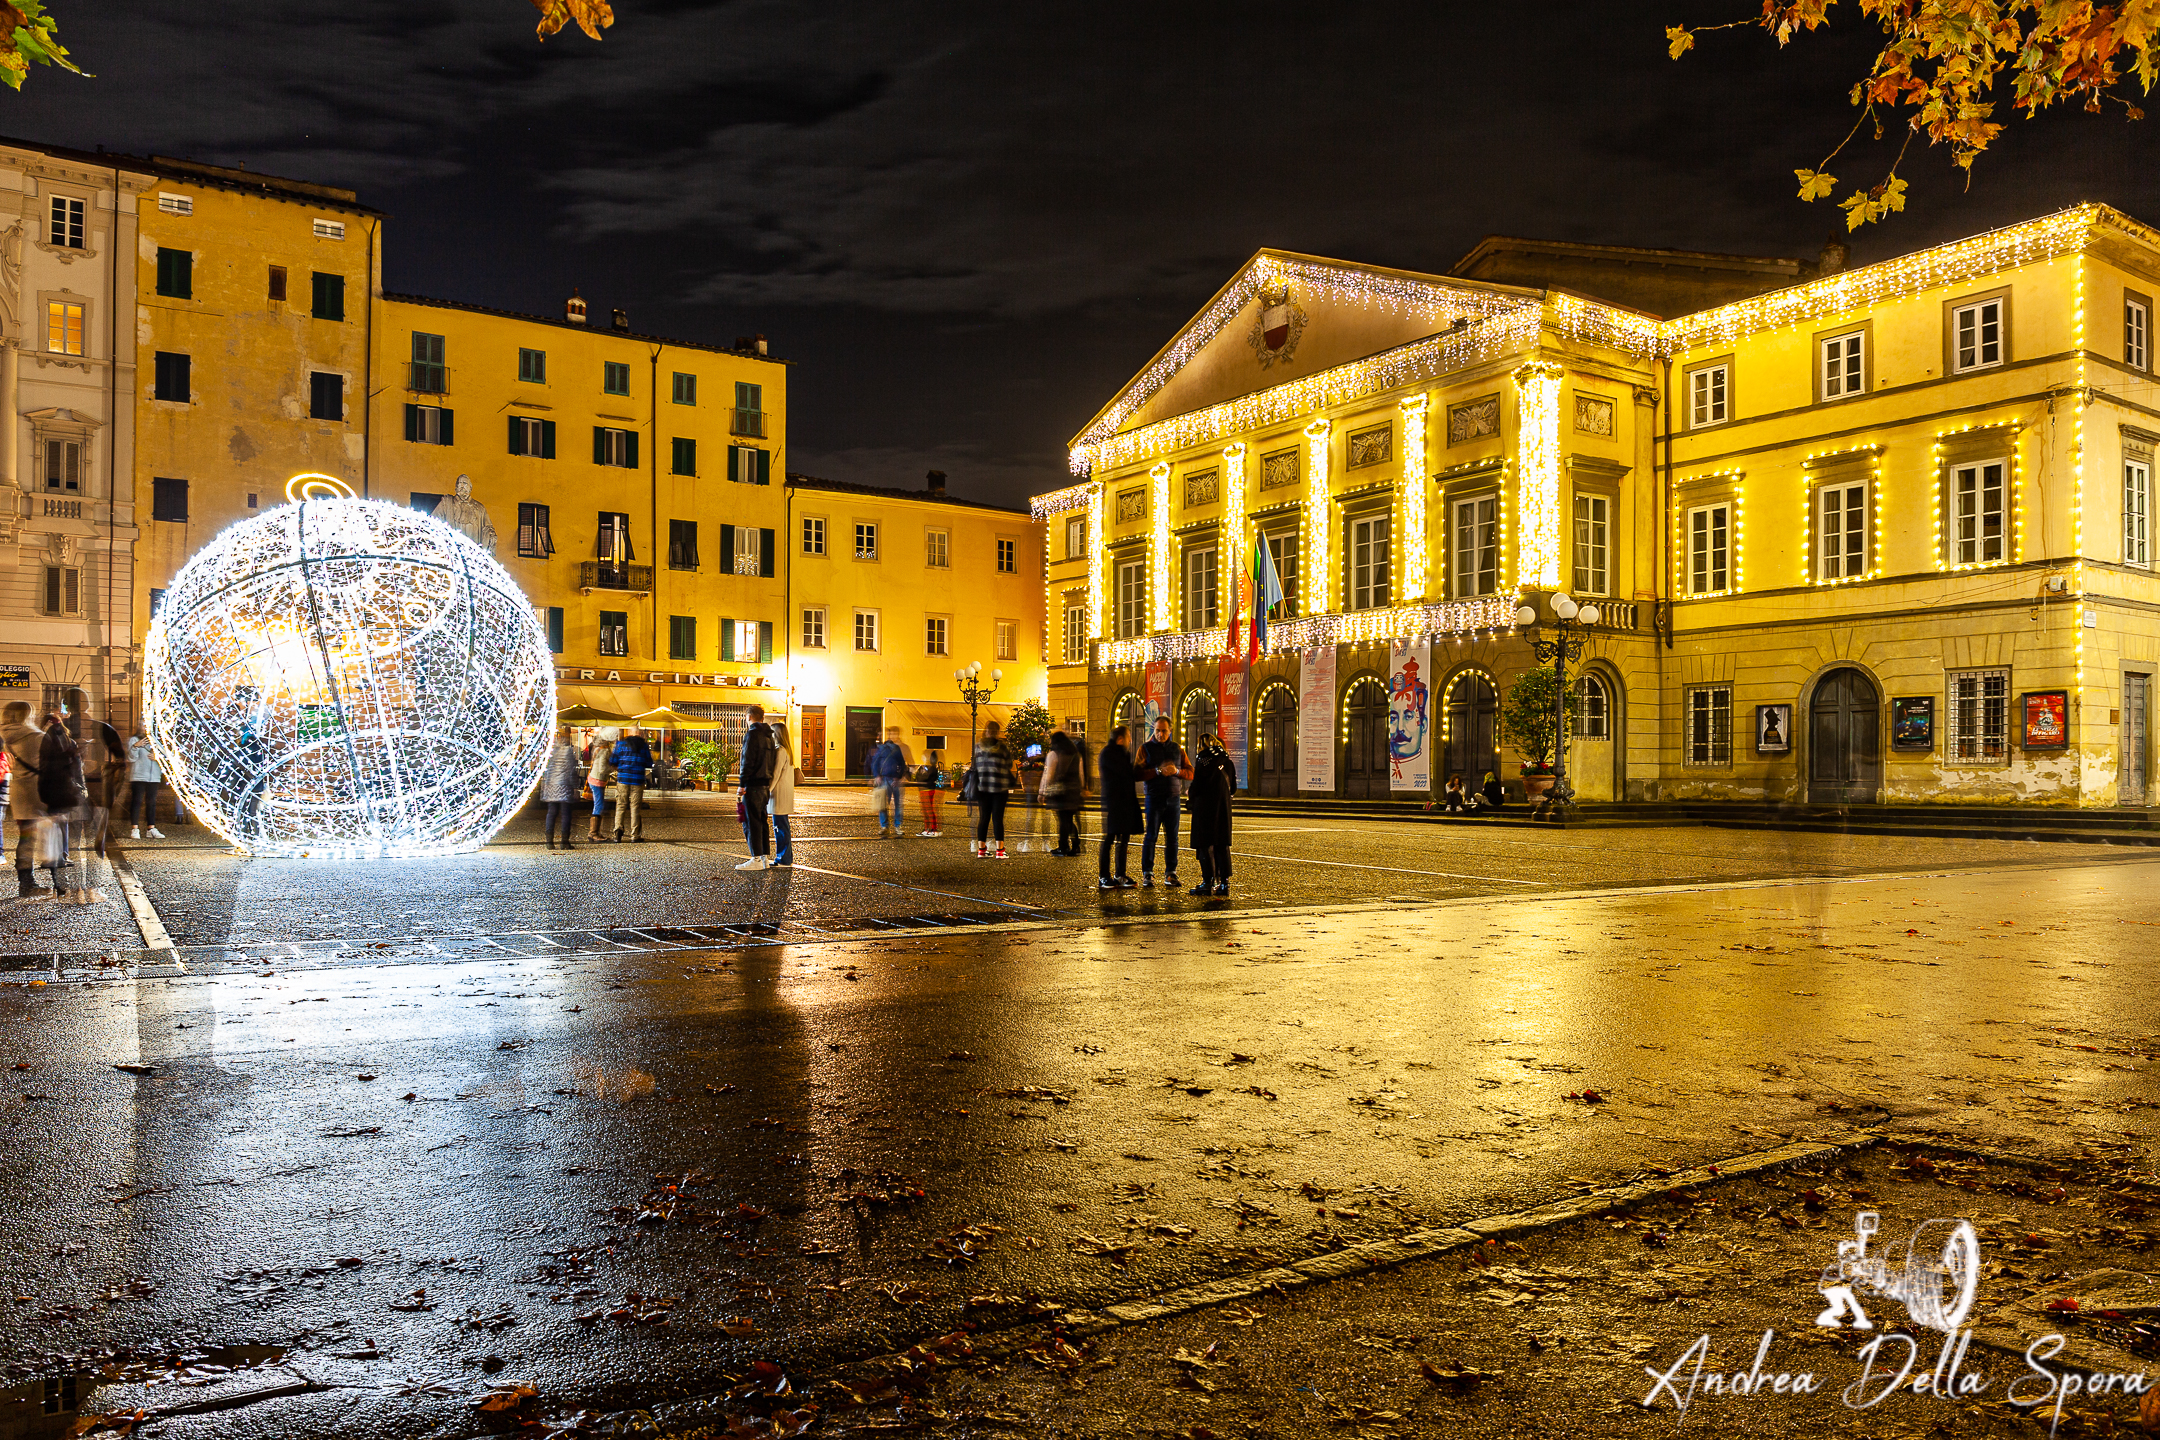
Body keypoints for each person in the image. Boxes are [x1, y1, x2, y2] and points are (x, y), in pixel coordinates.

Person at [3, 701, 50, 901]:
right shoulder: (38, 737)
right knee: (37, 838)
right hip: (38, 793)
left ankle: (26, 881)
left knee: (26, 837)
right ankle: (30, 884)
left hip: (18, 791)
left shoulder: (5, 735)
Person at [1136, 716, 1190, 888]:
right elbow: (1137, 773)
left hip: (1173, 798)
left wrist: (1177, 772)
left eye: (1163, 731)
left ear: (1170, 731)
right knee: (1151, 836)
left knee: (1172, 838)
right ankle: (1148, 873)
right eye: (1157, 730)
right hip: (1153, 798)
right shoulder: (1145, 748)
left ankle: (1171, 873)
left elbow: (1190, 771)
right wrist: (1158, 771)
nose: (1160, 734)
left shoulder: (1178, 749)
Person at [1185, 733, 1235, 896]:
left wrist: (1190, 795)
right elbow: (1233, 787)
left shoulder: (1203, 759)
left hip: (1205, 808)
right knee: (1222, 844)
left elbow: (1198, 783)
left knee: (1204, 844)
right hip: (1223, 808)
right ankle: (1224, 884)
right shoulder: (1227, 761)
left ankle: (1208, 882)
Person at [1096, 725, 1142, 890]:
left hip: (1125, 802)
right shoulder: (1109, 753)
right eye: (1128, 736)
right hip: (1113, 802)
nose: (1130, 740)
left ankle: (1120, 874)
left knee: (1123, 839)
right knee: (1109, 838)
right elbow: (1123, 774)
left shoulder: (1122, 754)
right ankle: (1103, 876)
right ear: (1120, 739)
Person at [736, 705, 778, 870]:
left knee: (751, 822)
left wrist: (742, 784)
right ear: (762, 717)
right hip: (764, 785)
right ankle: (764, 857)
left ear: (748, 717)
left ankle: (756, 859)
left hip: (752, 785)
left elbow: (747, 761)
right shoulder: (769, 736)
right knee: (762, 821)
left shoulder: (752, 734)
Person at [969, 721, 1014, 858]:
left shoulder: (978, 747)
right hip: (999, 788)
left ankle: (981, 850)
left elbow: (974, 766)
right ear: (997, 732)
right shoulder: (1002, 747)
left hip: (982, 788)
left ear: (985, 731)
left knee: (983, 818)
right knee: (997, 819)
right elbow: (1009, 764)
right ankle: (1000, 850)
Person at [1039, 730, 1087, 856]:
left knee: (1063, 820)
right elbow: (1081, 774)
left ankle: (1063, 846)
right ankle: (1075, 845)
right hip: (1074, 790)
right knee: (1068, 819)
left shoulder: (1054, 754)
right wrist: (1081, 788)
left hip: (1060, 792)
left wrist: (1042, 792)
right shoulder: (1076, 754)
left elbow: (1048, 775)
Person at [539, 727, 583, 850]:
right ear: (567, 737)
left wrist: (544, 786)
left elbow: (545, 770)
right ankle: (564, 842)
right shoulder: (568, 751)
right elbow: (571, 771)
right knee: (565, 814)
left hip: (551, 786)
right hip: (564, 785)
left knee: (551, 813)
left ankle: (549, 842)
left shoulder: (551, 750)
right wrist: (575, 787)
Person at [609, 726, 653, 841]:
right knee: (635, 807)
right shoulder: (643, 746)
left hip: (623, 779)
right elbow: (649, 762)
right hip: (638, 780)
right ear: (639, 734)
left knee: (621, 805)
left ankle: (618, 831)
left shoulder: (620, 744)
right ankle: (635, 835)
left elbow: (612, 760)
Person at [869, 726, 910, 838]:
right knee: (894, 804)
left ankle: (888, 826)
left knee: (888, 804)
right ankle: (892, 827)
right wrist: (897, 776)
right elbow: (901, 764)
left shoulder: (885, 749)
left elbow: (875, 763)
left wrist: (878, 776)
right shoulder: (893, 749)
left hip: (888, 779)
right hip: (889, 779)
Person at [127, 729, 166, 840]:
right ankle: (135, 828)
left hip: (154, 776)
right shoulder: (134, 739)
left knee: (151, 802)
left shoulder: (159, 740)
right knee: (137, 801)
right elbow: (131, 758)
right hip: (138, 776)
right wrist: (135, 746)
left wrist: (159, 757)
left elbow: (167, 757)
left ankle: (151, 828)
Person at [769, 720, 798, 867]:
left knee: (780, 828)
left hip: (779, 796)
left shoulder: (780, 750)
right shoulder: (787, 750)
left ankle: (783, 859)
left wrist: (767, 791)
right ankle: (785, 858)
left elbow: (775, 774)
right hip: (784, 795)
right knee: (782, 827)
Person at [584, 735, 613, 842]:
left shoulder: (597, 749)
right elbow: (602, 768)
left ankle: (595, 833)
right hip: (597, 780)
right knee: (599, 805)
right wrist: (611, 769)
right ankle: (593, 833)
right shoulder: (604, 751)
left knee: (599, 805)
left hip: (594, 779)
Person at [917, 751, 945, 837]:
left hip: (928, 790)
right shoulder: (926, 768)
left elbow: (924, 778)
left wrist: (920, 773)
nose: (923, 758)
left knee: (929, 810)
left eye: (925, 757)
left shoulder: (932, 768)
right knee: (925, 811)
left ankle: (932, 829)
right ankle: (927, 829)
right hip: (924, 790)